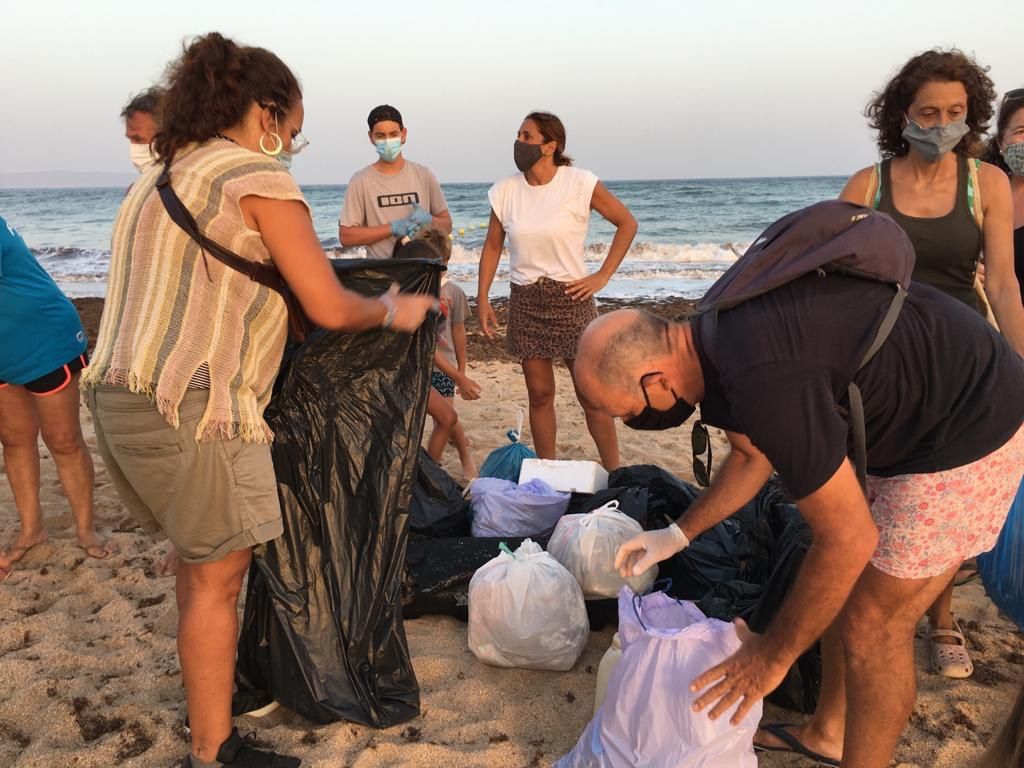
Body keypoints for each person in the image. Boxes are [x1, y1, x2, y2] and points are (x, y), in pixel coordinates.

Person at [82, 33, 436, 768]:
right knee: (219, 575)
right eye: (294, 131)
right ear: (266, 113)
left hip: (122, 400)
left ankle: (213, 708)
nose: (292, 147)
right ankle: (214, 750)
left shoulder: (162, 176)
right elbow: (332, 304)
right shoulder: (255, 174)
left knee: (198, 562)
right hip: (199, 405)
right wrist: (396, 310)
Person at [572, 216, 1024, 767]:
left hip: (969, 424)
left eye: (630, 413)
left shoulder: (762, 376)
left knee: (873, 624)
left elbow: (849, 539)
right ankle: (828, 733)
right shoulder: (711, 330)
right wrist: (677, 533)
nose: (632, 424)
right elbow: (750, 454)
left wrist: (771, 656)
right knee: (835, 582)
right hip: (906, 414)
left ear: (657, 381)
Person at [838, 49, 1024, 683]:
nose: (941, 124)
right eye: (927, 112)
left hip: (967, 369)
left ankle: (943, 621)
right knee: (881, 495)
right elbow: (836, 286)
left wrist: (1021, 367)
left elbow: (1001, 284)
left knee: (941, 502)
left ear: (969, 115)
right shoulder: (867, 186)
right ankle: (873, 610)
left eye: (955, 112)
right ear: (902, 116)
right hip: (885, 367)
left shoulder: (986, 183)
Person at [477, 111, 637, 469]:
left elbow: (627, 223)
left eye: (527, 136)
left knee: (591, 394)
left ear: (551, 145)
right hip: (526, 299)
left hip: (571, 298)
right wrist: (483, 297)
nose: (519, 142)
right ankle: (547, 471)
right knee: (539, 394)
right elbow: (491, 246)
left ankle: (615, 472)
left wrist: (602, 276)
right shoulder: (504, 191)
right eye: (518, 134)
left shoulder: (579, 182)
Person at [0, 216, 114, 582]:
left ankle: (86, 531)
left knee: (63, 440)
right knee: (15, 439)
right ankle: (32, 530)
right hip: (4, 348)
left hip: (45, 337)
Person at [396, 229, 482, 476]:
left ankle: (453, 459)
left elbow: (458, 332)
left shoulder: (453, 292)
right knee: (438, 418)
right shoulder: (411, 292)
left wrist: (461, 370)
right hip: (420, 366)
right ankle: (433, 466)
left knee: (447, 417)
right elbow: (425, 346)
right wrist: (460, 377)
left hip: (447, 365)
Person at [338, 105, 452, 259]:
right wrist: (391, 228)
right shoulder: (361, 180)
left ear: (403, 134)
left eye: (393, 134)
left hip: (422, 272)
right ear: (371, 137)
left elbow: (448, 225)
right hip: (381, 276)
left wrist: (430, 220)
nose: (387, 141)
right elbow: (346, 236)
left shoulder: (424, 175)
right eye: (380, 135)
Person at [122, 87, 163, 172]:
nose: (133, 148)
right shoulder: (139, 185)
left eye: (138, 139)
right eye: (131, 140)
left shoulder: (189, 180)